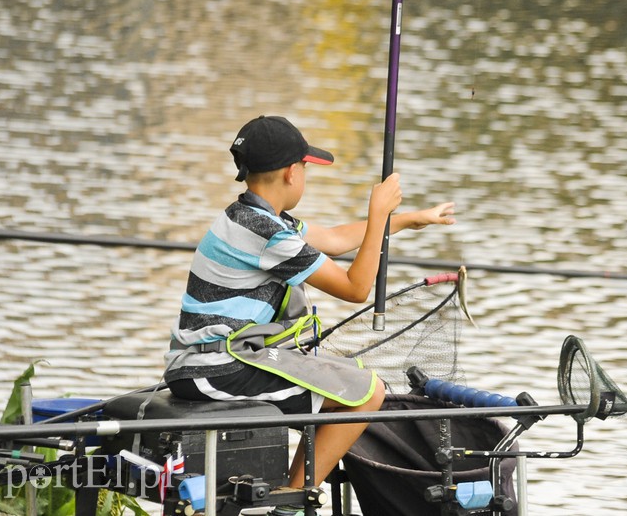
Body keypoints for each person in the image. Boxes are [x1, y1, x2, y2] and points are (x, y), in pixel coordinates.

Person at [164, 115, 455, 516]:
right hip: (217, 369)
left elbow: (334, 240)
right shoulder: (267, 234)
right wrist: (377, 212)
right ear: (290, 173)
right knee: (366, 393)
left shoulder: (251, 217)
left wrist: (406, 218)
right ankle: (290, 505)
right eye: (305, 168)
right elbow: (356, 289)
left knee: (343, 381)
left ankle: (291, 495)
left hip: (205, 363)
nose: (305, 177)